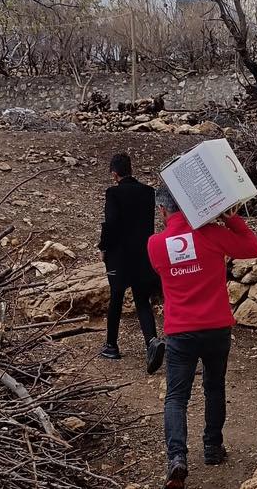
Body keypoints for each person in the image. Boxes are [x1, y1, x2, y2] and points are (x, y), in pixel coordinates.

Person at [148, 186, 257, 489]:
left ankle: (177, 459)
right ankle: (212, 448)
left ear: (163, 211)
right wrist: (232, 221)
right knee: (214, 386)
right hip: (216, 327)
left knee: (176, 397)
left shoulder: (156, 244)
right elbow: (253, 249)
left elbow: (165, 272)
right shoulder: (211, 233)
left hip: (180, 331)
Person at [98, 153, 165, 374]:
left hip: (120, 255)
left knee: (116, 299)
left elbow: (111, 224)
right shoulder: (148, 193)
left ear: (114, 174)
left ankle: (111, 345)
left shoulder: (113, 193)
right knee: (142, 300)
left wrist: (103, 248)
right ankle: (151, 343)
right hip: (144, 254)